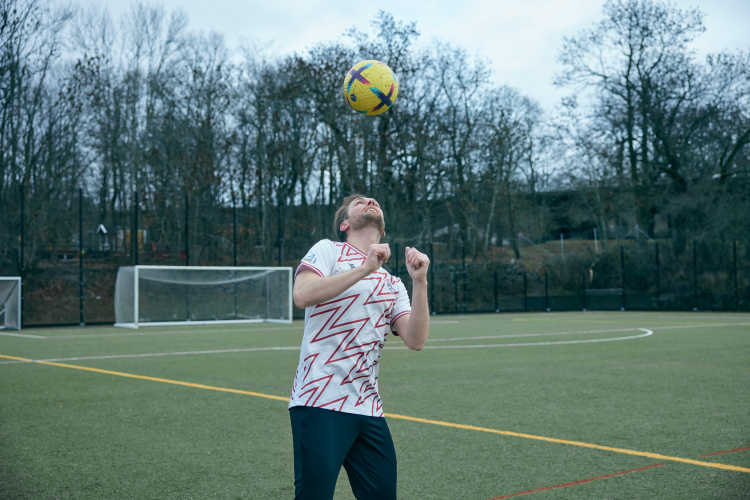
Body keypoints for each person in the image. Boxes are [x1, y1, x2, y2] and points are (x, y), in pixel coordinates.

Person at [289, 194, 430, 500]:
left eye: (373, 201)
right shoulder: (328, 251)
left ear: (383, 228)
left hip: (368, 408)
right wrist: (364, 269)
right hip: (318, 400)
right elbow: (302, 295)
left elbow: (415, 340)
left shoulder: (394, 284)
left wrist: (419, 281)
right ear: (344, 224)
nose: (368, 201)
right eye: (358, 202)